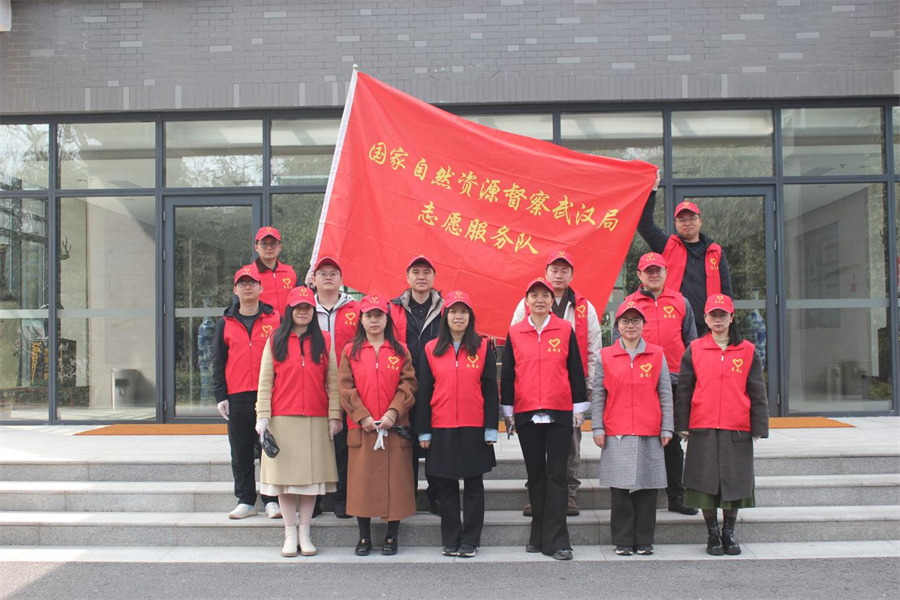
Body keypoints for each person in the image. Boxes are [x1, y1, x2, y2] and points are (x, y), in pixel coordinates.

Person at [501, 277, 589, 561]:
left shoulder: (564, 329)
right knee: (536, 475)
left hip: (559, 411)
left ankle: (559, 540)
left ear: (552, 301)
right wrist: (507, 411)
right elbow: (508, 373)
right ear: (526, 301)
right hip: (526, 411)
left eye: (545, 295)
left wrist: (579, 407)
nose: (539, 300)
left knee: (557, 475)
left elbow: (575, 369)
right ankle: (537, 534)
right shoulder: (515, 332)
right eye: (534, 295)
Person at [674, 294, 769, 556]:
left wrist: (759, 427)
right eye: (713, 315)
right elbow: (685, 390)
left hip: (736, 426)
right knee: (704, 481)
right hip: (702, 425)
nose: (718, 320)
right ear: (705, 318)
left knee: (734, 480)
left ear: (731, 317)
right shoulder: (695, 349)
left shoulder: (747, 350)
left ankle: (729, 531)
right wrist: (682, 424)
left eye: (723, 315)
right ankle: (712, 533)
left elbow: (757, 391)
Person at [510, 250, 602, 517]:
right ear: (546, 272)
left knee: (570, 443)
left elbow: (594, 348)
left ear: (572, 275)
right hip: (532, 389)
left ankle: (569, 493)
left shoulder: (584, 307)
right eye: (554, 270)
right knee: (535, 445)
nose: (558, 275)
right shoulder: (526, 303)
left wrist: (588, 385)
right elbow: (515, 342)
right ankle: (536, 494)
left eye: (564, 270)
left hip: (569, 388)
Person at [255, 286, 343, 557]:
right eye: (298, 308)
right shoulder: (275, 340)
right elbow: (265, 381)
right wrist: (262, 416)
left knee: (310, 482)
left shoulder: (325, 340)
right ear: (290, 311)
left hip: (315, 418)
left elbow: (334, 382)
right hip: (282, 419)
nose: (303, 312)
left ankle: (305, 533)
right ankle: (289, 533)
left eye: (307, 308)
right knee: (285, 482)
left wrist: (335, 415)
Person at [416, 291, 499, 558]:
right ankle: (450, 538)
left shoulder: (483, 347)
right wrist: (424, 430)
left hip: (474, 425)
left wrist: (491, 428)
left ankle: (471, 540)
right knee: (446, 485)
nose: (458, 316)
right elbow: (424, 391)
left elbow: (490, 390)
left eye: (464, 312)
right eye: (453, 311)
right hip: (441, 426)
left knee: (474, 485)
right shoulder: (431, 348)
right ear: (445, 316)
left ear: (470, 317)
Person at [338, 294, 418, 556]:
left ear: (387, 319)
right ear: (361, 320)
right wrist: (361, 415)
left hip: (393, 428)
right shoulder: (350, 351)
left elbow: (408, 384)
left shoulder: (400, 350)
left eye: (379, 315)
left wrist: (393, 413)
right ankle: (364, 537)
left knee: (395, 484)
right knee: (362, 484)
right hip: (363, 429)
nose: (374, 320)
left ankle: (392, 536)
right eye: (368, 315)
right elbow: (345, 387)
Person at [593, 301, 673, 556]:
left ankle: (644, 540)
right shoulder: (606, 356)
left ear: (643, 325)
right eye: (625, 320)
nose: (631, 325)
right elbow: (599, 395)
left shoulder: (657, 354)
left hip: (649, 430)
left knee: (648, 487)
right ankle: (623, 541)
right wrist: (597, 427)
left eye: (636, 320)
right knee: (620, 489)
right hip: (617, 432)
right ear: (617, 325)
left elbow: (665, 393)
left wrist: (667, 428)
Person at [621, 252, 698, 516]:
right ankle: (641, 493)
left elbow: (691, 343)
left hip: (675, 380)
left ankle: (676, 495)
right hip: (641, 381)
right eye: (648, 271)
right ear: (639, 275)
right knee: (641, 438)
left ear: (666, 273)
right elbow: (621, 342)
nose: (654, 275)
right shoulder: (630, 303)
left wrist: (692, 377)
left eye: (658, 270)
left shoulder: (681, 302)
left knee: (672, 439)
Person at [213, 267, 282, 520]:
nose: (248, 287)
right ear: (235, 290)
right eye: (242, 283)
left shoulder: (275, 319)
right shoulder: (225, 322)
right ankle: (245, 500)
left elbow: (283, 357)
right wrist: (221, 396)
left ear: (261, 288)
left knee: (269, 448)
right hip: (238, 395)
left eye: (252, 283)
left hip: (269, 395)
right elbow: (218, 361)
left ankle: (272, 500)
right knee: (240, 450)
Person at [636, 185, 733, 335]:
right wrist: (652, 191)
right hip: (673, 321)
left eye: (692, 218)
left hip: (707, 324)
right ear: (675, 224)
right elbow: (645, 225)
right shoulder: (668, 245)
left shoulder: (716, 252)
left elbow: (726, 292)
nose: (687, 223)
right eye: (682, 219)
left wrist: (725, 322)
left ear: (700, 221)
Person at [389, 255, 444, 514]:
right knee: (405, 442)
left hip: (438, 386)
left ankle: (437, 495)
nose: (421, 277)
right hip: (403, 385)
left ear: (434, 277)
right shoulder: (393, 309)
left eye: (426, 272)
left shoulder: (446, 308)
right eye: (416, 272)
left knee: (436, 441)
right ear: (407, 277)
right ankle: (407, 495)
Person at [310, 256, 359, 519]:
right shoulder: (304, 309)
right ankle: (314, 500)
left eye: (333, 273)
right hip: (314, 388)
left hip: (347, 388)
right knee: (316, 445)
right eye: (323, 273)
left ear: (341, 279)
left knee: (343, 446)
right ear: (314, 279)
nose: (328, 277)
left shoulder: (356, 310)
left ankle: (343, 499)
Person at [243, 226, 297, 317]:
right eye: (264, 244)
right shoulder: (246, 274)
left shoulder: (290, 273)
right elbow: (239, 304)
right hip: (260, 325)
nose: (269, 248)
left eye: (273, 244)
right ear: (256, 247)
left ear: (280, 247)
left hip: (287, 325)